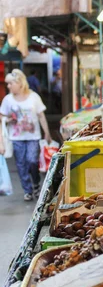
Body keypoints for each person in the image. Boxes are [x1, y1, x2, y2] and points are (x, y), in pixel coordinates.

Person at [0, 69, 52, 201]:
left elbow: (41, 115)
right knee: (21, 165)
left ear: (19, 83)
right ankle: (28, 190)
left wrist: (47, 132)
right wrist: (7, 121)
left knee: (32, 161)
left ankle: (36, 183)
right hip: (16, 138)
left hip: (33, 137)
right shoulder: (7, 100)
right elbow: (2, 117)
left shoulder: (34, 97)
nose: (8, 86)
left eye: (11, 83)